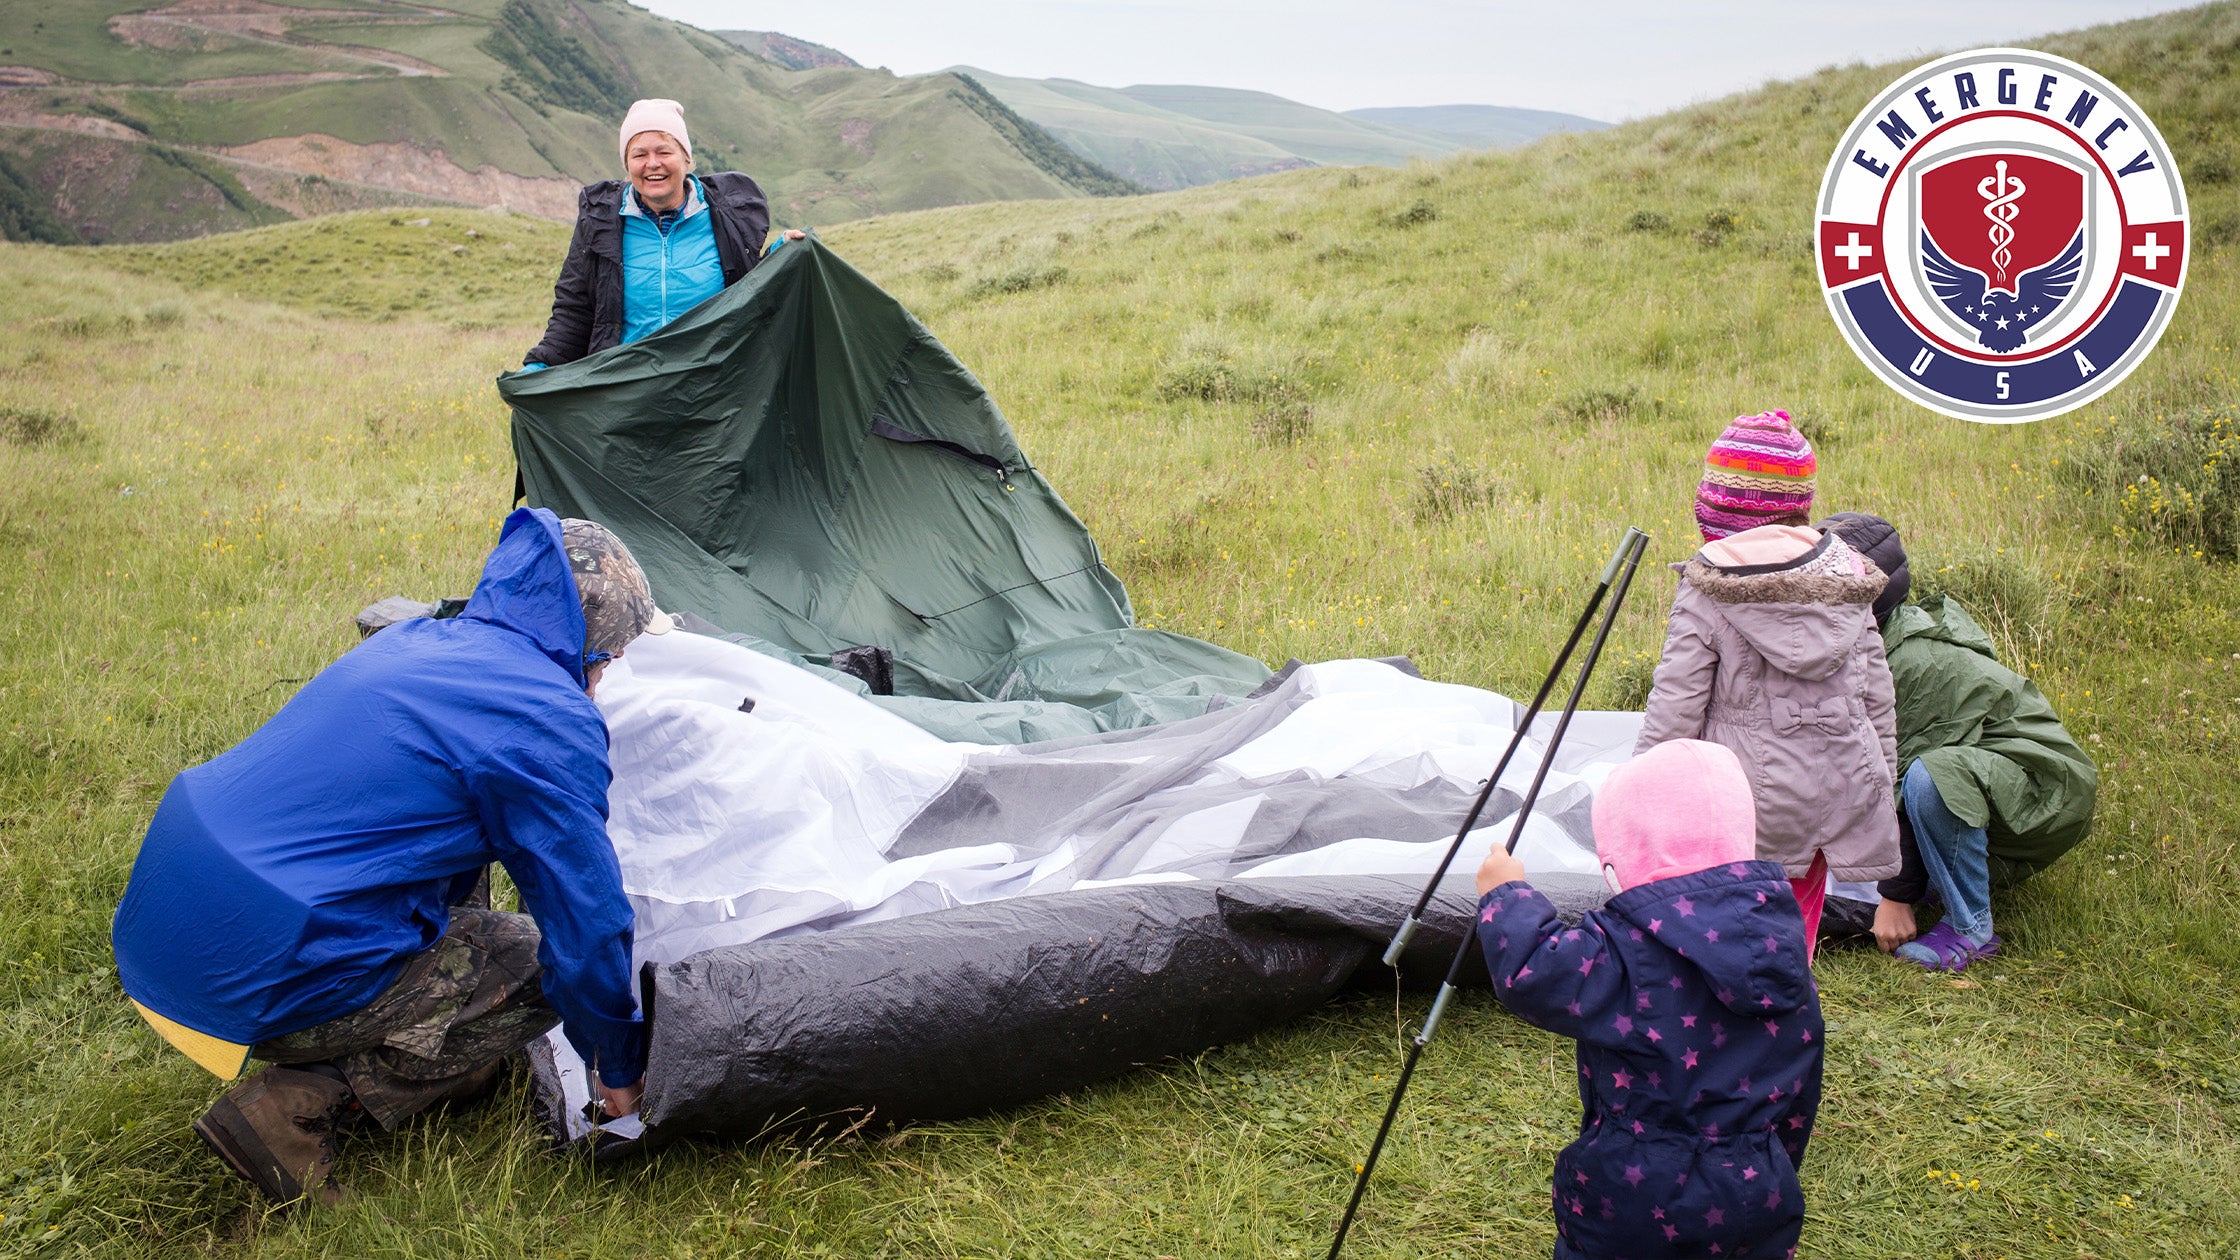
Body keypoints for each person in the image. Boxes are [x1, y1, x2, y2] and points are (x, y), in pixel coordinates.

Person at [111, 509, 669, 1206]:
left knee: (472, 905)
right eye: (614, 654)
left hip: (166, 920)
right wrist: (616, 1067)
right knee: (534, 965)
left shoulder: (416, 641)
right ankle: (294, 1104)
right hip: (260, 966)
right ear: (594, 645)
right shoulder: (542, 720)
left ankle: (438, 1052)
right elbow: (585, 928)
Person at [1475, 739, 1823, 1260]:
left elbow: (1533, 970)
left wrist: (1505, 896)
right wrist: (1774, 1159)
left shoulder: (1628, 951)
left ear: (1626, 853)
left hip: (1633, 1196)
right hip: (1758, 1188)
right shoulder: (1783, 948)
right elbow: (1801, 1091)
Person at [1635, 409, 1900, 955]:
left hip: (1741, 803)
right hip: (1839, 791)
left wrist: (1644, 795)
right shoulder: (1851, 575)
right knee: (1794, 928)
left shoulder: (1709, 584)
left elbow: (1676, 705)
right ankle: (1787, 1019)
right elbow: (1878, 702)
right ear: (1801, 509)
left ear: (1713, 508)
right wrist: (1878, 785)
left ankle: (1730, 1026)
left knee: (1727, 932)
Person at [1816, 512, 2098, 971]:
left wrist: (1894, 898)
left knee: (1930, 779)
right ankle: (1933, 866)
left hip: (2044, 790)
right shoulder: (1872, 641)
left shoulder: (1908, 665)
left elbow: (1898, 780)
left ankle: (1971, 926)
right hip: (1982, 772)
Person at [520, 98, 805, 371]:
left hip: (714, 395)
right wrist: (540, 365)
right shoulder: (600, 223)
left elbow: (750, 293)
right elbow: (574, 310)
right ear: (627, 164)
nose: (652, 163)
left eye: (664, 152)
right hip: (625, 392)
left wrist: (782, 257)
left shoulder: (730, 217)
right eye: (639, 155)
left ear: (686, 159)